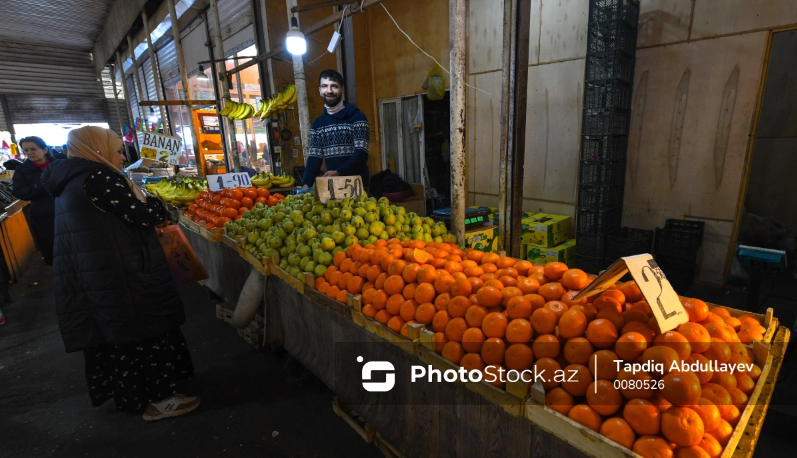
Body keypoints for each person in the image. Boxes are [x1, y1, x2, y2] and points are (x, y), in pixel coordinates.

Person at [42, 126, 199, 421]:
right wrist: (157, 205)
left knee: (122, 334)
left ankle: (138, 396)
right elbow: (145, 214)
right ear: (97, 149)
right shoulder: (97, 177)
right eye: (117, 149)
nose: (122, 156)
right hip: (121, 273)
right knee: (142, 331)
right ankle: (157, 400)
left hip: (102, 273)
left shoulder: (70, 177)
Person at [301, 69, 370, 190]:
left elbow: (361, 154)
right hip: (333, 187)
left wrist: (339, 172)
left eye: (334, 86)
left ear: (342, 90)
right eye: (324, 86)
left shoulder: (357, 117)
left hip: (358, 187)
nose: (329, 91)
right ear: (320, 90)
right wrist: (306, 184)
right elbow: (314, 157)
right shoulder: (318, 124)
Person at [11, 136, 62, 265]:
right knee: (52, 250)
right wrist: (44, 185)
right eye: (26, 150)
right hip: (43, 216)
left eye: (33, 149)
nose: (29, 153)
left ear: (45, 150)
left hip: (66, 209)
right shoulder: (22, 170)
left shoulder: (60, 164)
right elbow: (20, 192)